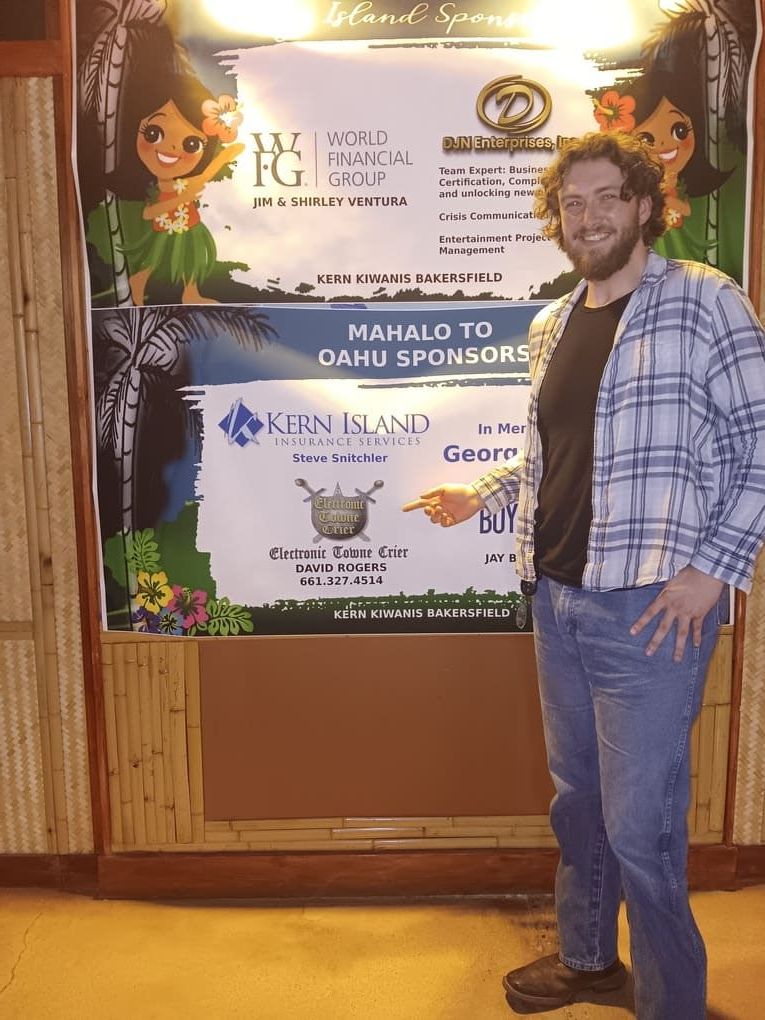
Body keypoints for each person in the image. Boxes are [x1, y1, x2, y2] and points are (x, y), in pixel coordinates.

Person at [403, 131, 765, 1020]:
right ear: (556, 217)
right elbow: (556, 454)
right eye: (574, 202)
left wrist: (709, 573)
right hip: (556, 597)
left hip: (650, 607)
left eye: (608, 197)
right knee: (580, 807)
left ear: (645, 205)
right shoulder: (552, 321)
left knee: (640, 828)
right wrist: (477, 491)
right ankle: (589, 961)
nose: (590, 215)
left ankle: (671, 1005)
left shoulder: (705, 303)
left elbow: (760, 443)